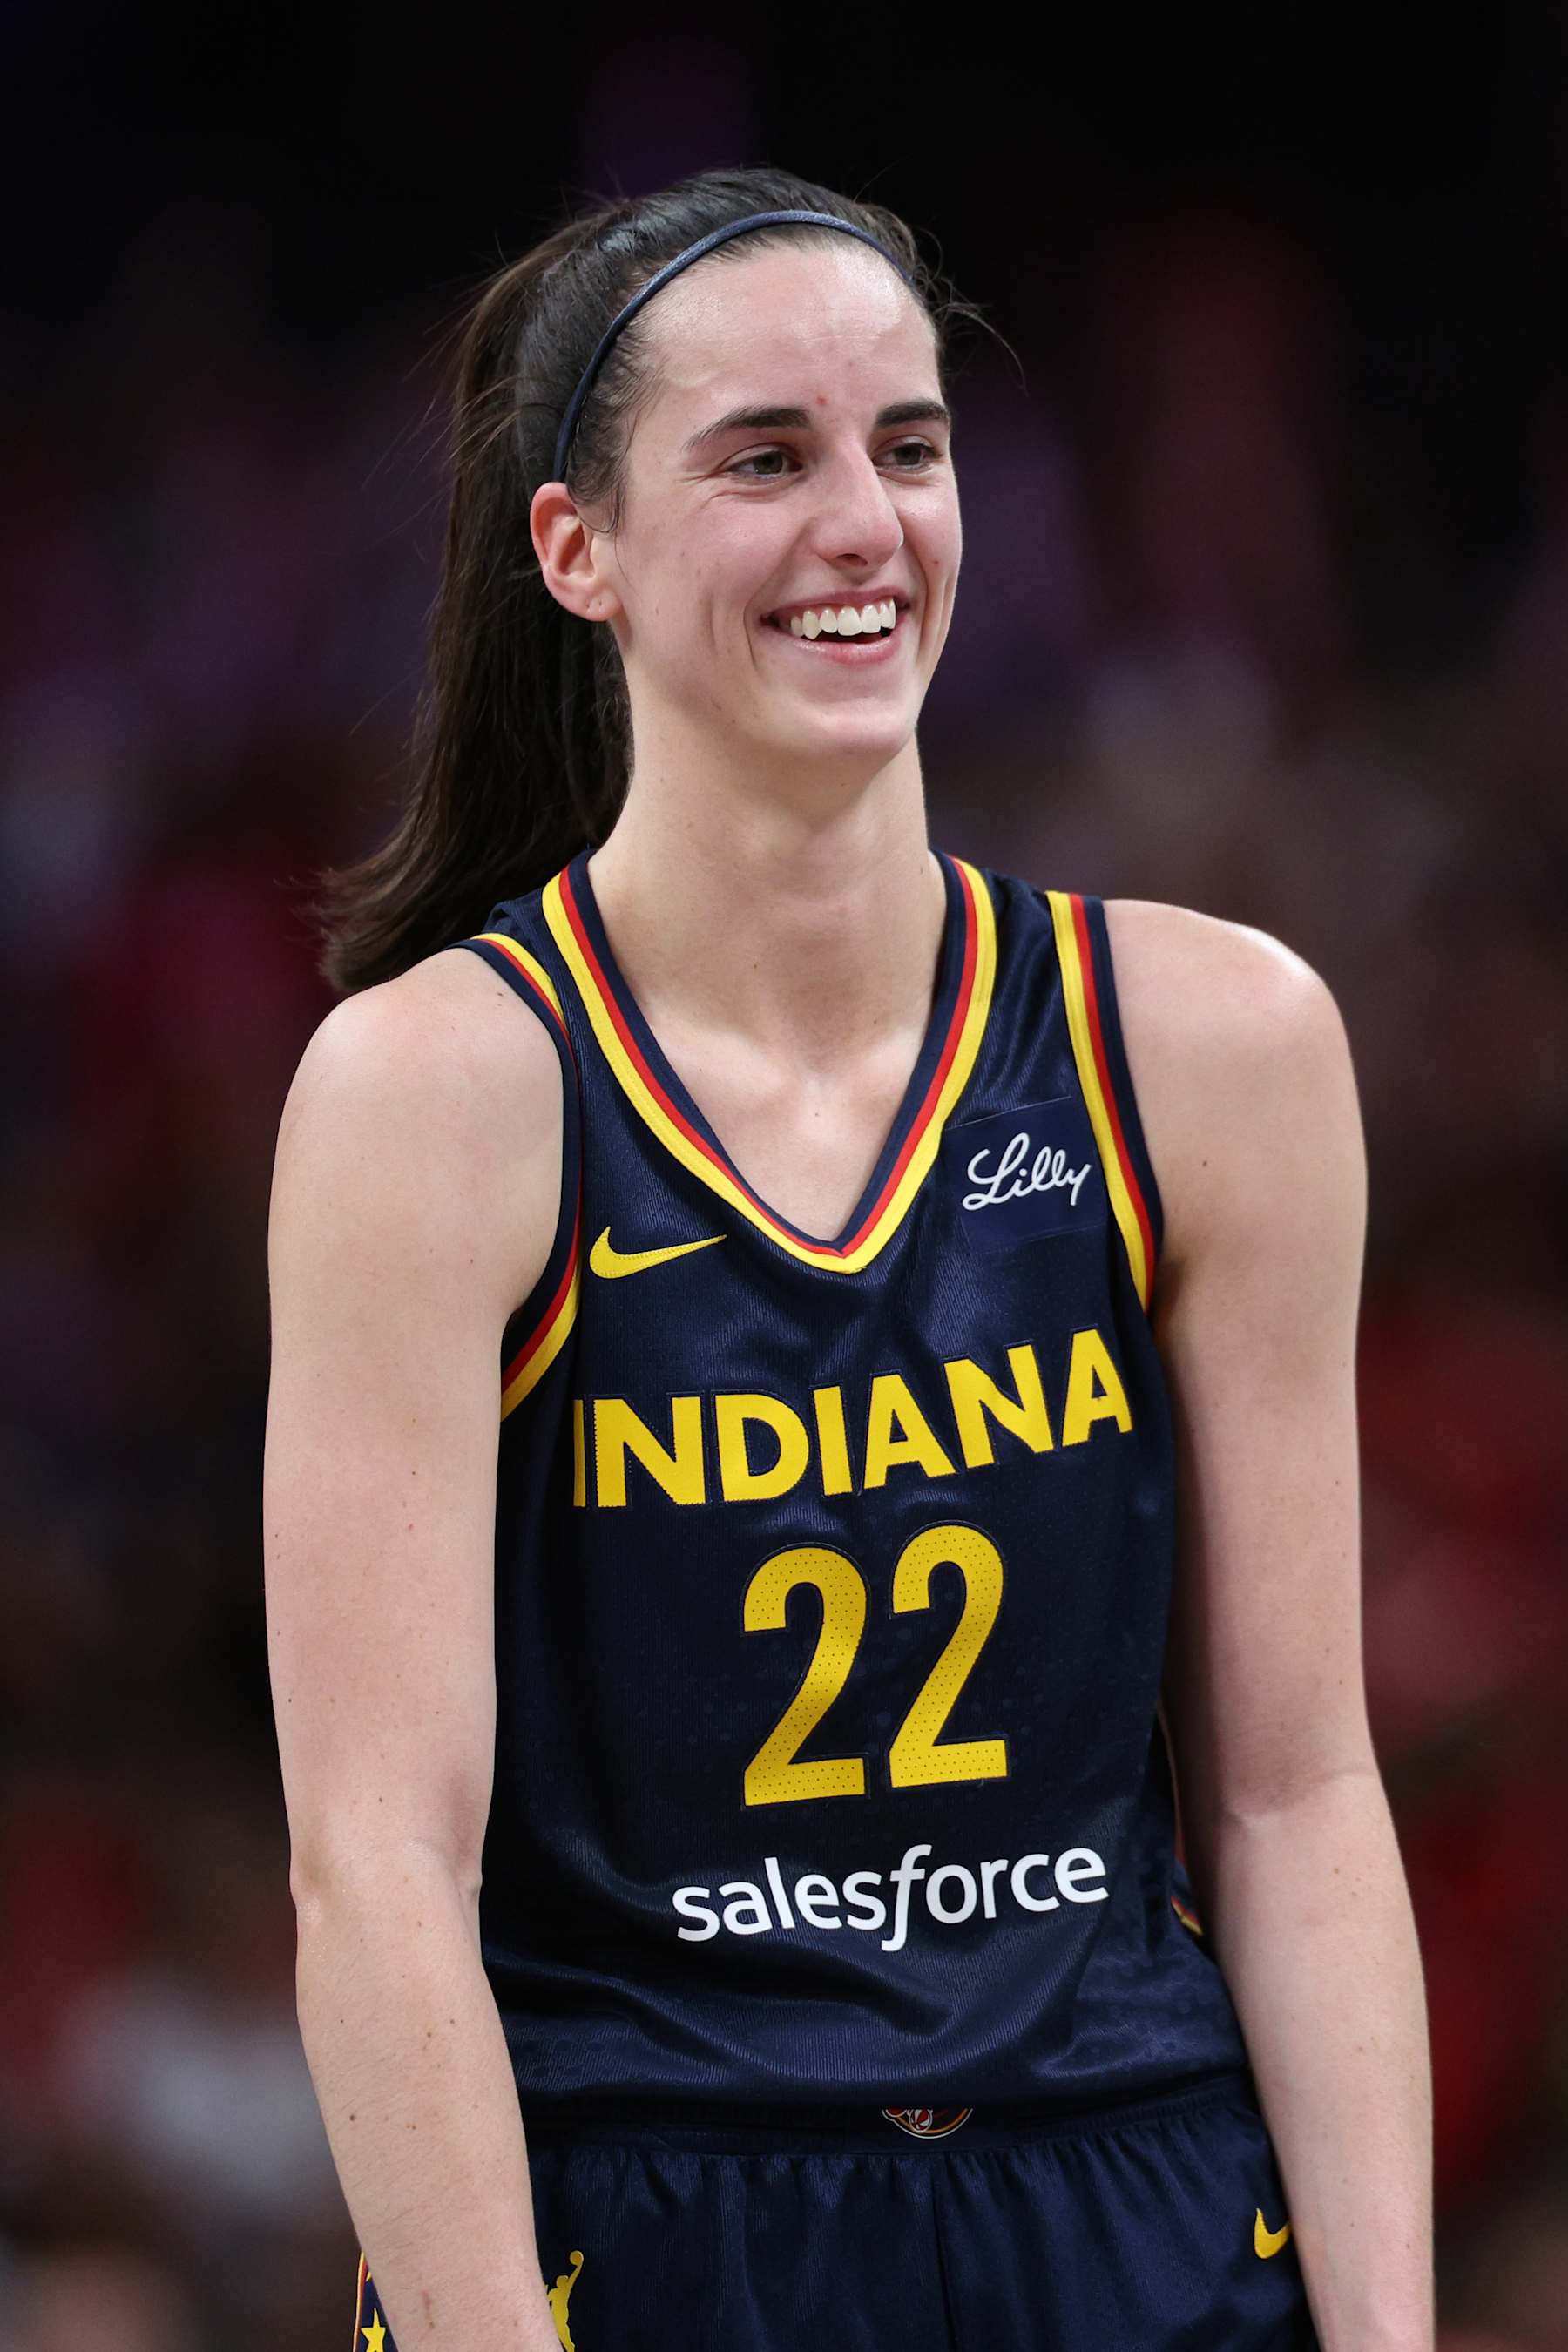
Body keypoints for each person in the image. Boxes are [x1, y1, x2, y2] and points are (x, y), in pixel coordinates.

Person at [263, 166, 1434, 2352]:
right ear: (574, 551)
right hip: (657, 2211)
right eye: (765, 458)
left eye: (909, 445)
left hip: (1140, 2200)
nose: (864, 524)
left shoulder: (1218, 1044)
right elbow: (376, 1872)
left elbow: (1294, 1789)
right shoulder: (432, 1096)